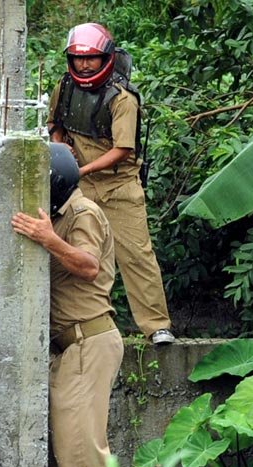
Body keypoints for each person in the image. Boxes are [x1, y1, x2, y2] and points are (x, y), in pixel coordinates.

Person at [0, 143, 123, 467]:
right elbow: (37, 272)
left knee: (81, 449)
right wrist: (1, 301)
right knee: (60, 450)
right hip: (66, 349)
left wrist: (49, 239)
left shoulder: (82, 212)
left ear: (55, 183)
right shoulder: (54, 216)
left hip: (87, 343)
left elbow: (89, 265)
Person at [46, 21, 175, 346]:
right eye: (78, 58)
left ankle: (156, 326)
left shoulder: (122, 98)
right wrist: (61, 149)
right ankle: (86, 326)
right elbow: (55, 125)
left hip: (118, 187)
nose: (84, 64)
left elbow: (122, 150)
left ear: (106, 58)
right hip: (78, 184)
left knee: (136, 254)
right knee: (79, 255)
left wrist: (82, 170)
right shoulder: (65, 86)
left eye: (90, 58)